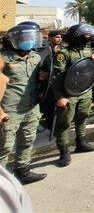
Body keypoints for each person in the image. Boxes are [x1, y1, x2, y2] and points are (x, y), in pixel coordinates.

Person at [0, 23, 47, 184]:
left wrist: (43, 76)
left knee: (27, 139)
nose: (30, 41)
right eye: (26, 38)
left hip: (31, 107)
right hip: (9, 109)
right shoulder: (3, 59)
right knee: (4, 145)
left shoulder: (35, 57)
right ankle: (2, 181)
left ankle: (22, 171)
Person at [52, 24, 94, 167]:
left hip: (84, 91)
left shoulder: (87, 50)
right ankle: (64, 151)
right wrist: (60, 97)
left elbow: (88, 69)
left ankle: (82, 143)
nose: (88, 39)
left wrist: (92, 59)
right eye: (85, 36)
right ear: (76, 37)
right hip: (69, 94)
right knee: (64, 123)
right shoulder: (64, 54)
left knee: (82, 117)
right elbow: (56, 77)